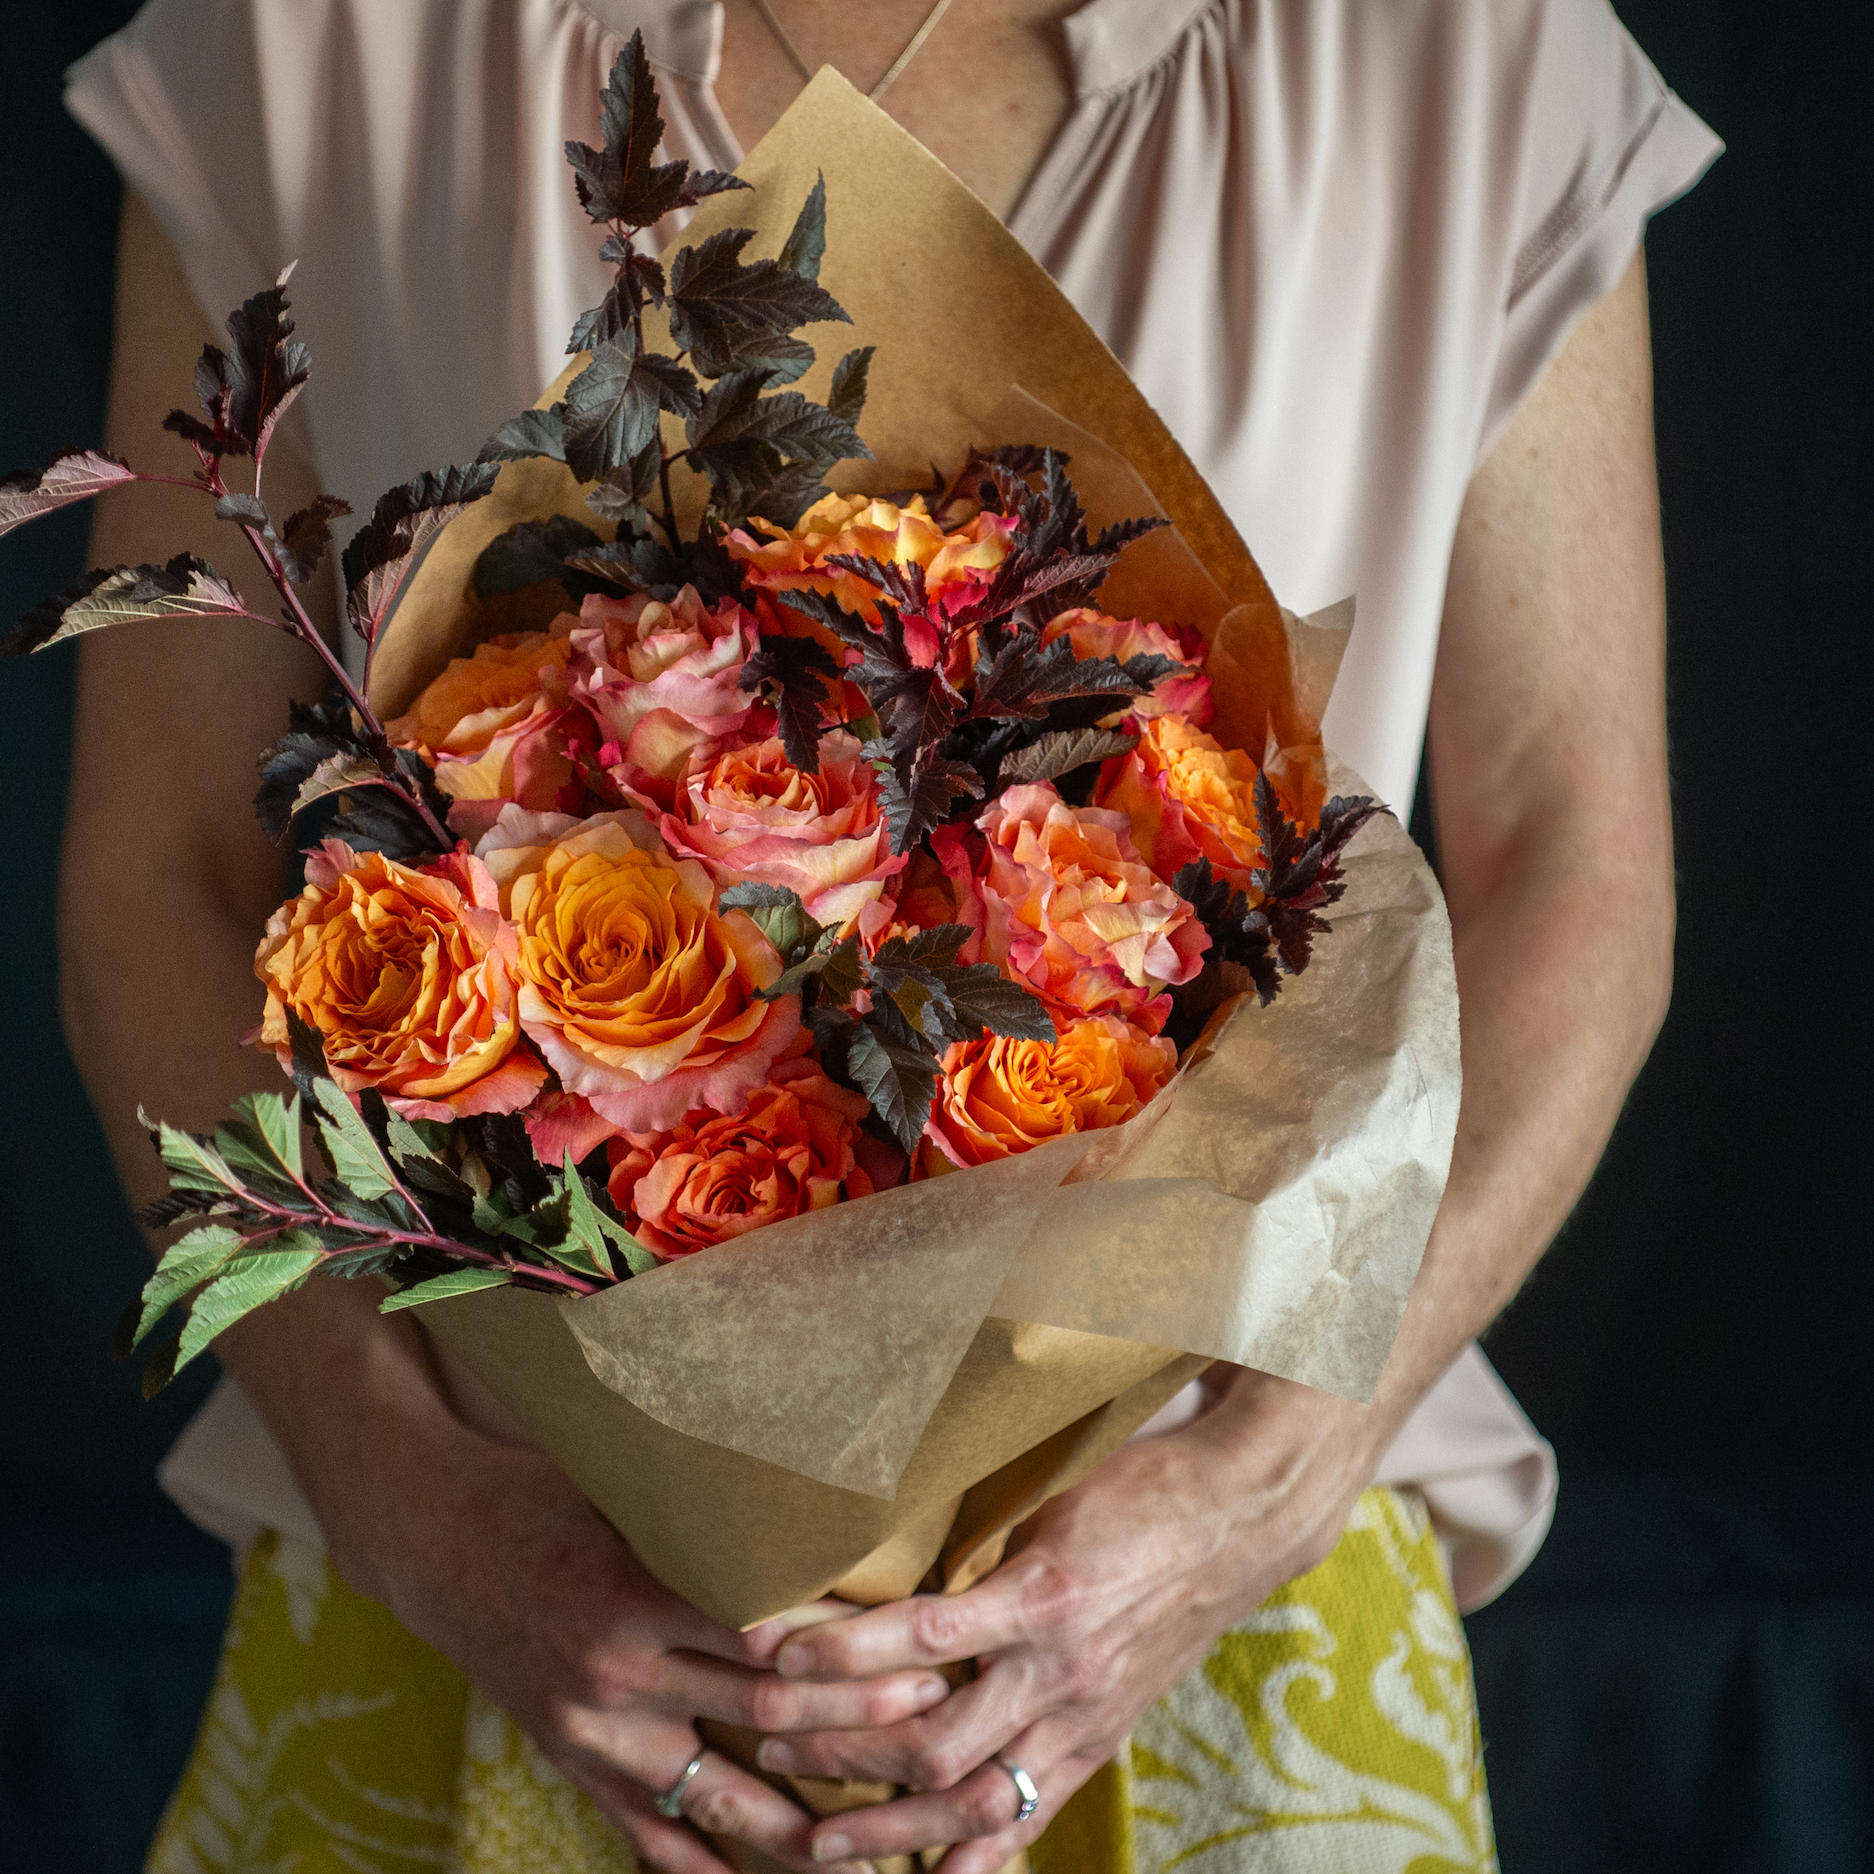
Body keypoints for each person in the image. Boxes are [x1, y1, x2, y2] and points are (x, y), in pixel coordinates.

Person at [59, 2, 1717, 1870]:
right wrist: (415, 1503)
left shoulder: (1462, 51)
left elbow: (1578, 863)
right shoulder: (315, 40)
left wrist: (1259, 1474)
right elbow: (161, 871)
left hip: (1209, 1605)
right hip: (507, 1599)